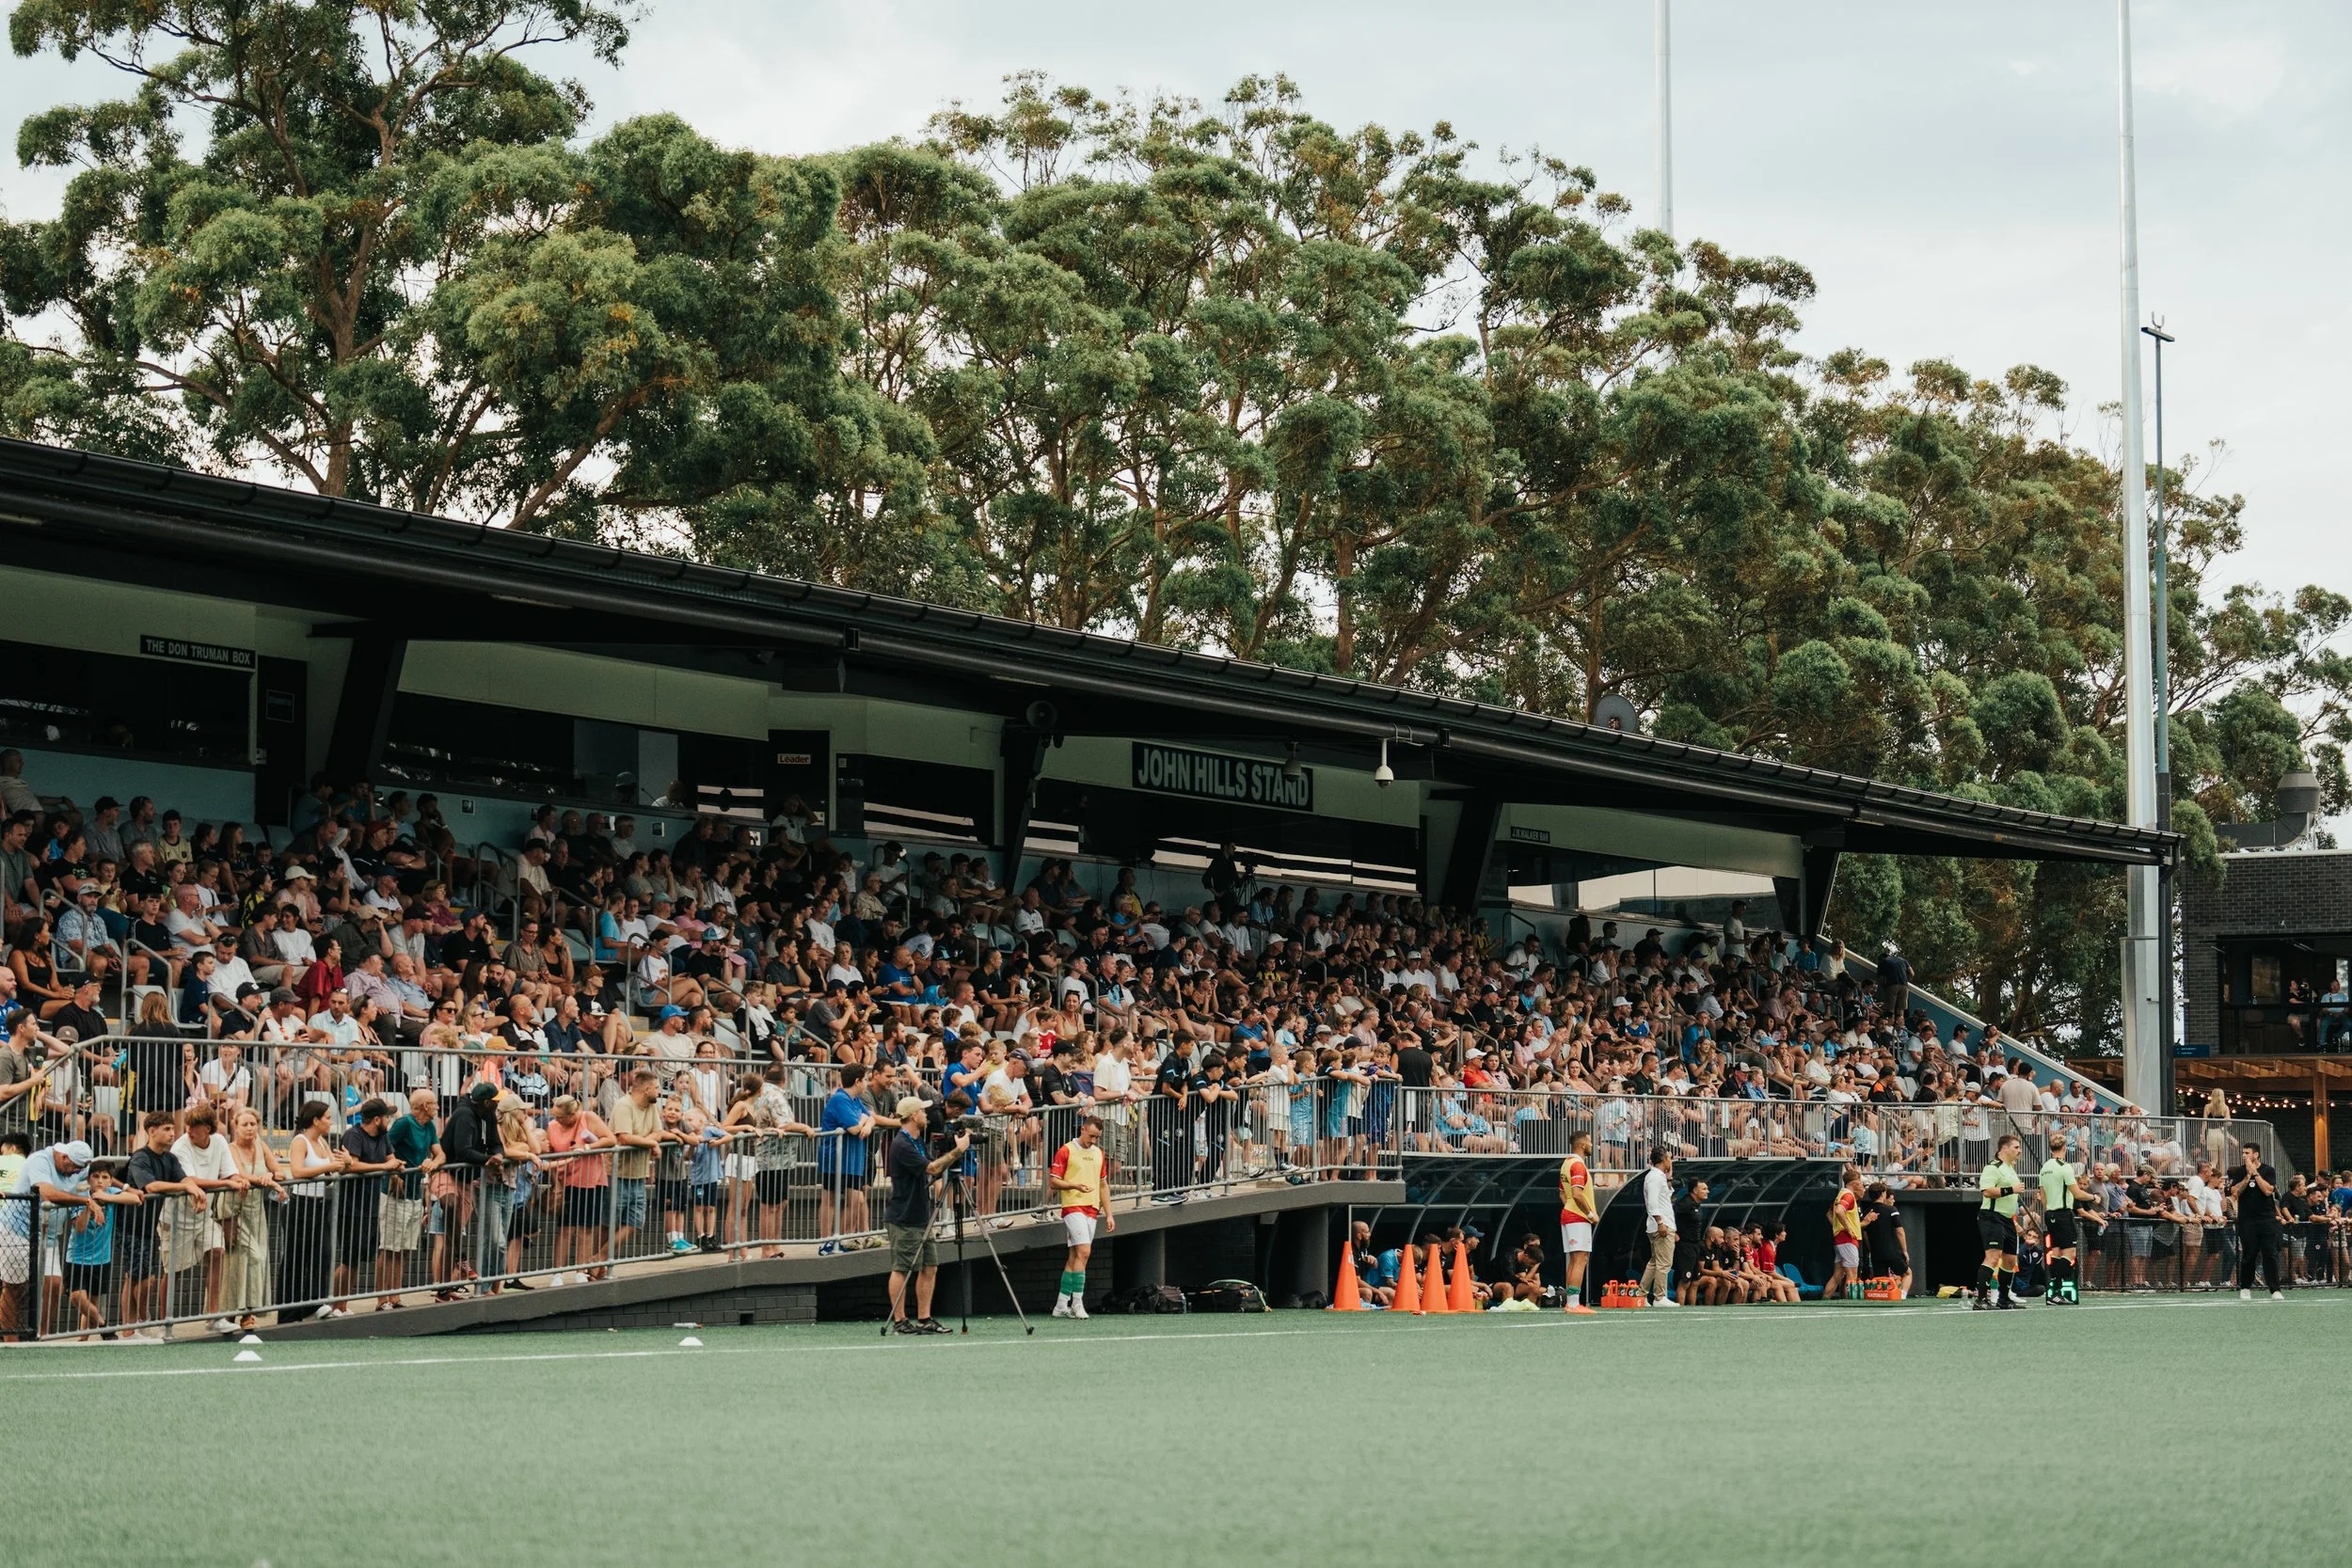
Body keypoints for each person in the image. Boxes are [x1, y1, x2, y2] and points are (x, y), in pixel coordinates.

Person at [884, 1094, 967, 1335]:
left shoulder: (916, 1140)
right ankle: (900, 1321)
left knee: (930, 1266)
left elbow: (930, 1165)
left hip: (920, 1214)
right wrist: (958, 1151)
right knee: (902, 1267)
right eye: (922, 1112)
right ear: (913, 1116)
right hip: (904, 1216)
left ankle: (924, 1318)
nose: (927, 1116)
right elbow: (931, 1168)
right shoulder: (902, 1143)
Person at [1046, 1117, 1114, 1319]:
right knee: (1084, 1251)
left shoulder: (1098, 1153)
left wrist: (1109, 1214)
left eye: (1097, 1137)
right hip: (1072, 1206)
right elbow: (1053, 1181)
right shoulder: (1066, 1150)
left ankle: (1060, 1305)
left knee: (1076, 1256)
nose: (1093, 1140)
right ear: (1082, 1129)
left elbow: (1103, 1185)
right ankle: (1077, 1303)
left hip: (1092, 1209)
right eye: (1091, 1135)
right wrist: (1075, 1185)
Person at [2039, 1130, 2093, 1305]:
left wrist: (2049, 1210)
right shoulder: (2064, 1167)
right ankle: (2054, 1292)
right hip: (2062, 1213)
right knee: (2069, 1253)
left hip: (2050, 1213)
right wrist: (2093, 1197)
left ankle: (2053, 1293)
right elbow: (2077, 1193)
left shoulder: (2045, 1167)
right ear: (2064, 1148)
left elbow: (2042, 1194)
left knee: (2056, 1252)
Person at [1975, 1132, 2026, 1310]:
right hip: (1991, 1216)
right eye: (2016, 1147)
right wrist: (2011, 1189)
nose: (2019, 1151)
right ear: (2004, 1148)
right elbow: (1987, 1191)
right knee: (1993, 1256)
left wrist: (2016, 1222)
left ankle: (2004, 1299)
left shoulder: (2010, 1167)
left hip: (2007, 1218)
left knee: (2011, 1260)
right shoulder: (1993, 1167)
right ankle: (1981, 1299)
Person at [2230, 1142, 2284, 1301]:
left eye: (2247, 1152)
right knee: (2249, 1254)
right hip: (2247, 1220)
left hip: (2266, 1219)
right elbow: (2235, 1192)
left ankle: (2275, 1290)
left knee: (2270, 1254)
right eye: (2243, 1153)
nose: (2244, 1155)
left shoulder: (2268, 1170)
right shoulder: (2240, 1171)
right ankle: (2245, 1287)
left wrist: (2256, 1174)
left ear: (2256, 1154)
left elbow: (2268, 1190)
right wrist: (2248, 1176)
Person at [1557, 1130, 1597, 1313]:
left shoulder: (1566, 1164)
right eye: (1590, 1142)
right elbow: (1576, 1194)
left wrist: (1569, 1207)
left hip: (1569, 1214)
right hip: (1578, 1217)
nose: (1592, 1145)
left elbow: (1562, 1193)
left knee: (1575, 1260)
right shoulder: (1578, 1165)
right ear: (1582, 1145)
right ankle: (1573, 1304)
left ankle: (1571, 1302)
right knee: (1580, 1259)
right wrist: (1589, 1214)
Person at [1640, 1148, 1677, 1307]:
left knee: (1655, 1262)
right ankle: (1659, 1297)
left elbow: (1666, 1196)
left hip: (1660, 1223)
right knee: (1664, 1263)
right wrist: (1661, 1222)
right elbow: (1653, 1202)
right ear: (1664, 1160)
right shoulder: (1654, 1177)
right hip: (1661, 1225)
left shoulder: (1659, 1177)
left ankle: (1641, 1295)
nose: (1671, 1161)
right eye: (1669, 1158)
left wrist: (1669, 1177)